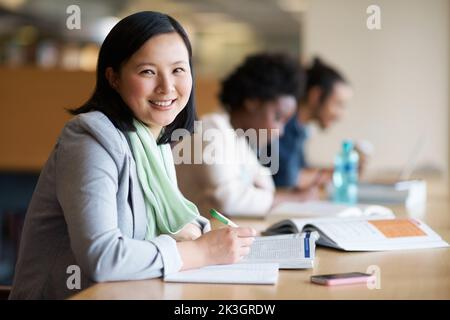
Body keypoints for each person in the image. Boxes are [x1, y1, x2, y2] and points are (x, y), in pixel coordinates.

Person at [9, 11, 255, 300]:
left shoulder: (156, 142)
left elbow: (172, 224)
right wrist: (200, 251)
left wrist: (198, 235)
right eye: (148, 71)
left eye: (178, 69)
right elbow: (102, 258)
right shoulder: (88, 140)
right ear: (113, 78)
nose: (167, 86)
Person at [173, 53, 315, 218]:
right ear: (253, 101)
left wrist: (277, 195)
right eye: (277, 118)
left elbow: (267, 187)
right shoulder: (211, 130)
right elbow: (229, 200)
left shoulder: (239, 138)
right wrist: (293, 198)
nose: (280, 130)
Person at [272, 57, 358, 190]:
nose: (341, 115)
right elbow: (287, 179)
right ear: (316, 95)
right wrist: (342, 171)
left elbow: (301, 170)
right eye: (338, 104)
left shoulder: (301, 129)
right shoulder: (283, 125)